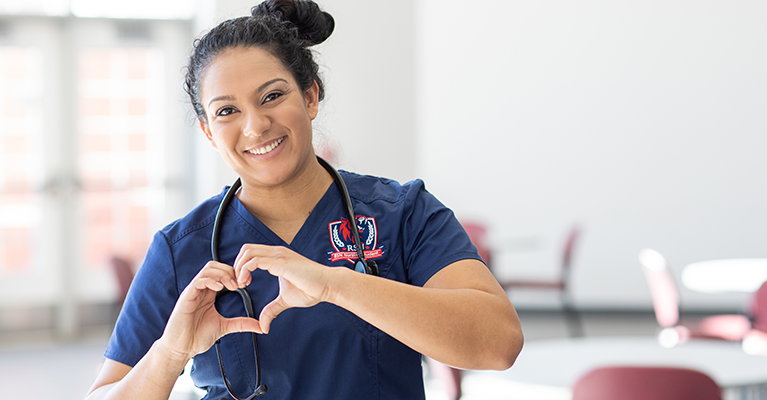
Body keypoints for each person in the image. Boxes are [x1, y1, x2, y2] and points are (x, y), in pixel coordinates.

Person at [86, 1, 523, 399]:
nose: (255, 126)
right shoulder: (181, 248)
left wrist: (336, 284)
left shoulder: (402, 213)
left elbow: (499, 342)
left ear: (311, 96)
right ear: (207, 131)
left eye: (272, 96)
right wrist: (170, 351)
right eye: (226, 111)